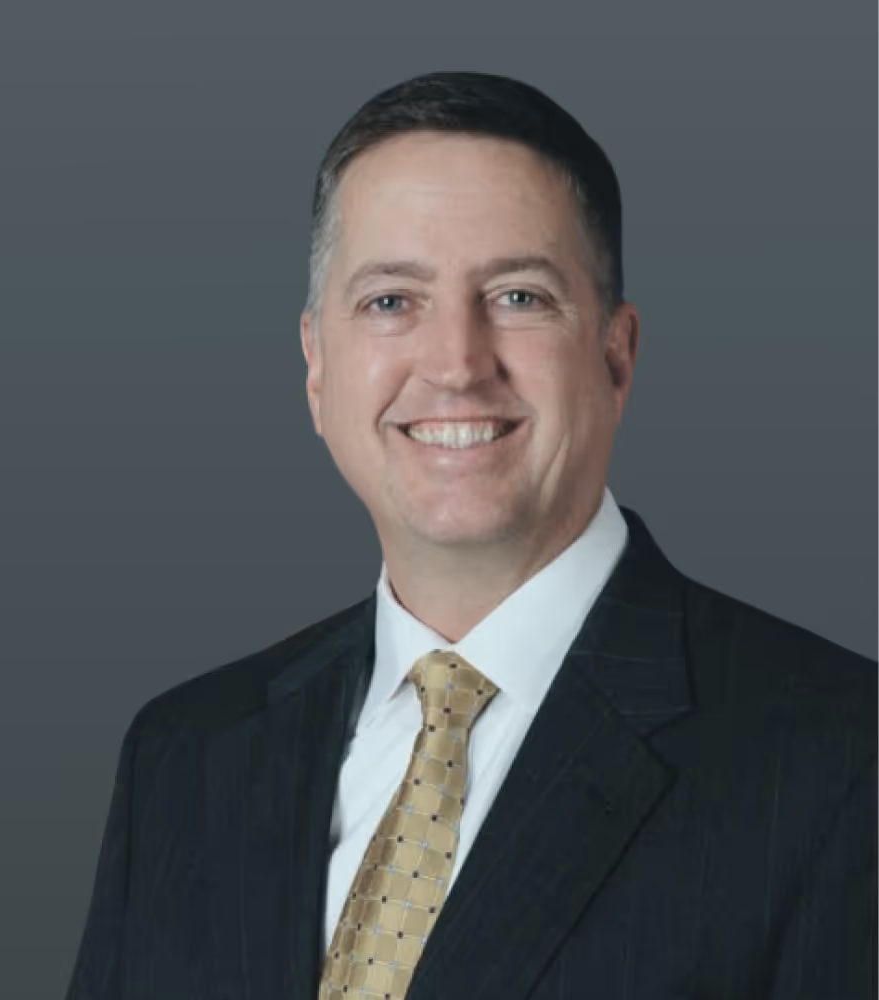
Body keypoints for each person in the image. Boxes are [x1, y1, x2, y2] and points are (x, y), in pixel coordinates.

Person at [65, 71, 876, 1000]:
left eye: (519, 297)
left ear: (615, 355)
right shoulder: (185, 754)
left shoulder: (840, 758)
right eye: (389, 302)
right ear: (316, 367)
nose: (454, 363)